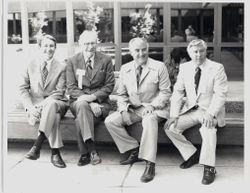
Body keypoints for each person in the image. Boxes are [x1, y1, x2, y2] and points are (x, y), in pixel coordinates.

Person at [105, 37, 171, 183]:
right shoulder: (125, 68)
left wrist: (152, 106)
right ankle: (133, 149)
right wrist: (123, 111)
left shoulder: (159, 66)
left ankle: (149, 163)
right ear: (130, 52)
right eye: (137, 50)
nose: (141, 53)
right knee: (110, 121)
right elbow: (121, 94)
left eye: (144, 49)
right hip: (134, 109)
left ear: (148, 49)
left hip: (156, 109)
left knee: (149, 119)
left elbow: (166, 92)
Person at [164, 39, 228, 185]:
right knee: (170, 127)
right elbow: (178, 92)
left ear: (206, 52)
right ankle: (192, 155)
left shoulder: (217, 68)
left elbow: (221, 94)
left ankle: (209, 168)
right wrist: (174, 115)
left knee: (208, 129)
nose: (198, 55)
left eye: (201, 51)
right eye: (195, 52)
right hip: (192, 110)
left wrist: (211, 113)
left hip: (210, 111)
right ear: (189, 53)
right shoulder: (185, 67)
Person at [66, 30, 115, 166]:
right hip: (78, 103)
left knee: (79, 120)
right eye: (87, 43)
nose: (90, 46)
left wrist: (92, 98)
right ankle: (92, 148)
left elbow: (109, 85)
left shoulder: (106, 60)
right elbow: (71, 87)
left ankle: (84, 153)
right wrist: (89, 102)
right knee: (82, 106)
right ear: (81, 44)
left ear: (97, 43)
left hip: (101, 104)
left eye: (93, 43)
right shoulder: (72, 61)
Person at [19, 34, 68, 168]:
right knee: (55, 117)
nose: (49, 49)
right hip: (36, 107)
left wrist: (41, 106)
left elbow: (59, 92)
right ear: (40, 47)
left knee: (52, 105)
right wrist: (30, 108)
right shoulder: (30, 64)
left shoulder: (62, 66)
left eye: (52, 46)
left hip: (58, 103)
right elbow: (23, 89)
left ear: (55, 48)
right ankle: (55, 153)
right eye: (45, 45)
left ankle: (37, 145)